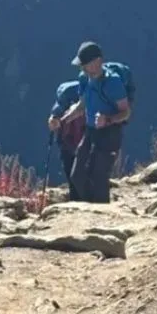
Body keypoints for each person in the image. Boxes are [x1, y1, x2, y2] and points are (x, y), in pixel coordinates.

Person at [48, 42, 130, 204]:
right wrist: (62, 120)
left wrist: (108, 119)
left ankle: (101, 212)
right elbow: (81, 106)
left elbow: (126, 112)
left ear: (97, 61)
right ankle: (90, 208)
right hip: (90, 131)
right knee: (77, 175)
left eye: (85, 65)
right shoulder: (85, 79)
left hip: (109, 133)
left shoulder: (113, 83)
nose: (82, 69)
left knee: (98, 176)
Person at [50, 80, 85, 200]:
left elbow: (55, 120)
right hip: (86, 145)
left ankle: (76, 201)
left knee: (72, 176)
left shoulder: (62, 105)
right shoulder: (93, 101)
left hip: (68, 146)